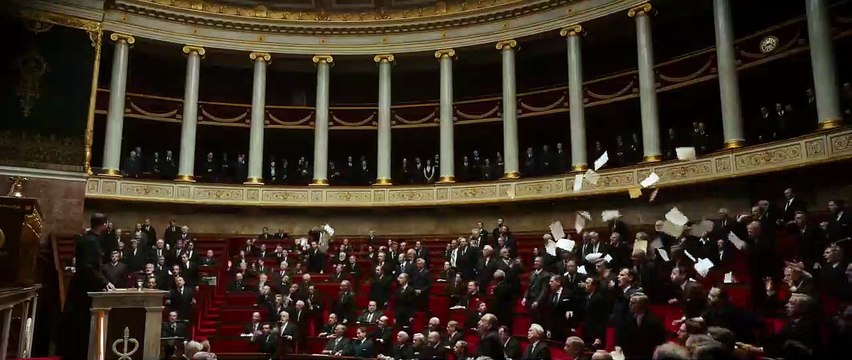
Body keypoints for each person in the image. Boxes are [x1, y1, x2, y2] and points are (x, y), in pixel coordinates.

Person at [58, 213, 116, 360]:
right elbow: (88, 267)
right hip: (83, 289)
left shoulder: (86, 238)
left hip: (81, 286)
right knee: (80, 325)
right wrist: (105, 282)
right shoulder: (92, 242)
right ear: (103, 225)